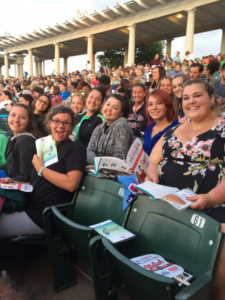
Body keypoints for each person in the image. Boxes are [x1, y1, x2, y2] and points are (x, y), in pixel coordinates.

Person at [146, 79, 225, 300]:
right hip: (171, 203)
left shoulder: (223, 128)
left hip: (214, 204)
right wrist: (152, 174)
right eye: (186, 97)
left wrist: (210, 198)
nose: (190, 101)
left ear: (211, 99)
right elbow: (153, 160)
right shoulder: (175, 130)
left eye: (197, 95)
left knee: (220, 261)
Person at [0, 105, 86, 238]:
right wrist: (12, 181)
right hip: (26, 205)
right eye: (56, 121)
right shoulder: (45, 145)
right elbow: (35, 183)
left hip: (43, 215)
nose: (61, 125)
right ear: (49, 122)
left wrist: (41, 169)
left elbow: (71, 184)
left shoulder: (75, 148)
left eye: (66, 123)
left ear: (72, 126)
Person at [87, 94, 134, 164]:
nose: (109, 109)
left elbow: (119, 158)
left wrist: (99, 164)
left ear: (121, 113)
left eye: (115, 108)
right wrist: (96, 163)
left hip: (115, 172)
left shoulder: (121, 127)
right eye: (108, 104)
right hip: (97, 168)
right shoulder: (99, 127)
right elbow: (90, 150)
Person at [0, 104, 42, 182]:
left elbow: (26, 177)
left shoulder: (24, 142)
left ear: (29, 121)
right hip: (8, 175)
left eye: (22, 117)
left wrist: (8, 181)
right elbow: (10, 165)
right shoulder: (13, 135)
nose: (16, 120)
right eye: (13, 115)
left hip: (16, 186)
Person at [143, 89, 178, 156]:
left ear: (167, 106)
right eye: (150, 104)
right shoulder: (148, 130)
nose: (154, 107)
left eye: (159, 103)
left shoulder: (176, 130)